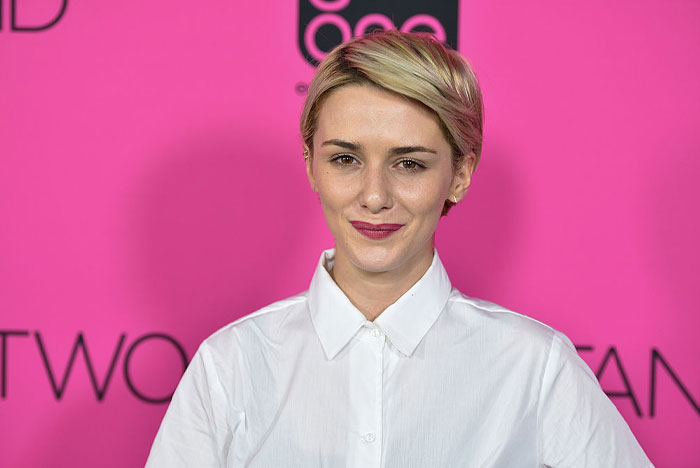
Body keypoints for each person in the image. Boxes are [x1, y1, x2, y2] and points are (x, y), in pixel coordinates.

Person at [145, 29, 654, 467]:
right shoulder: (229, 365)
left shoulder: (536, 368)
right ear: (310, 165)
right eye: (345, 159)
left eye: (408, 163)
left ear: (459, 174)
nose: (373, 195)